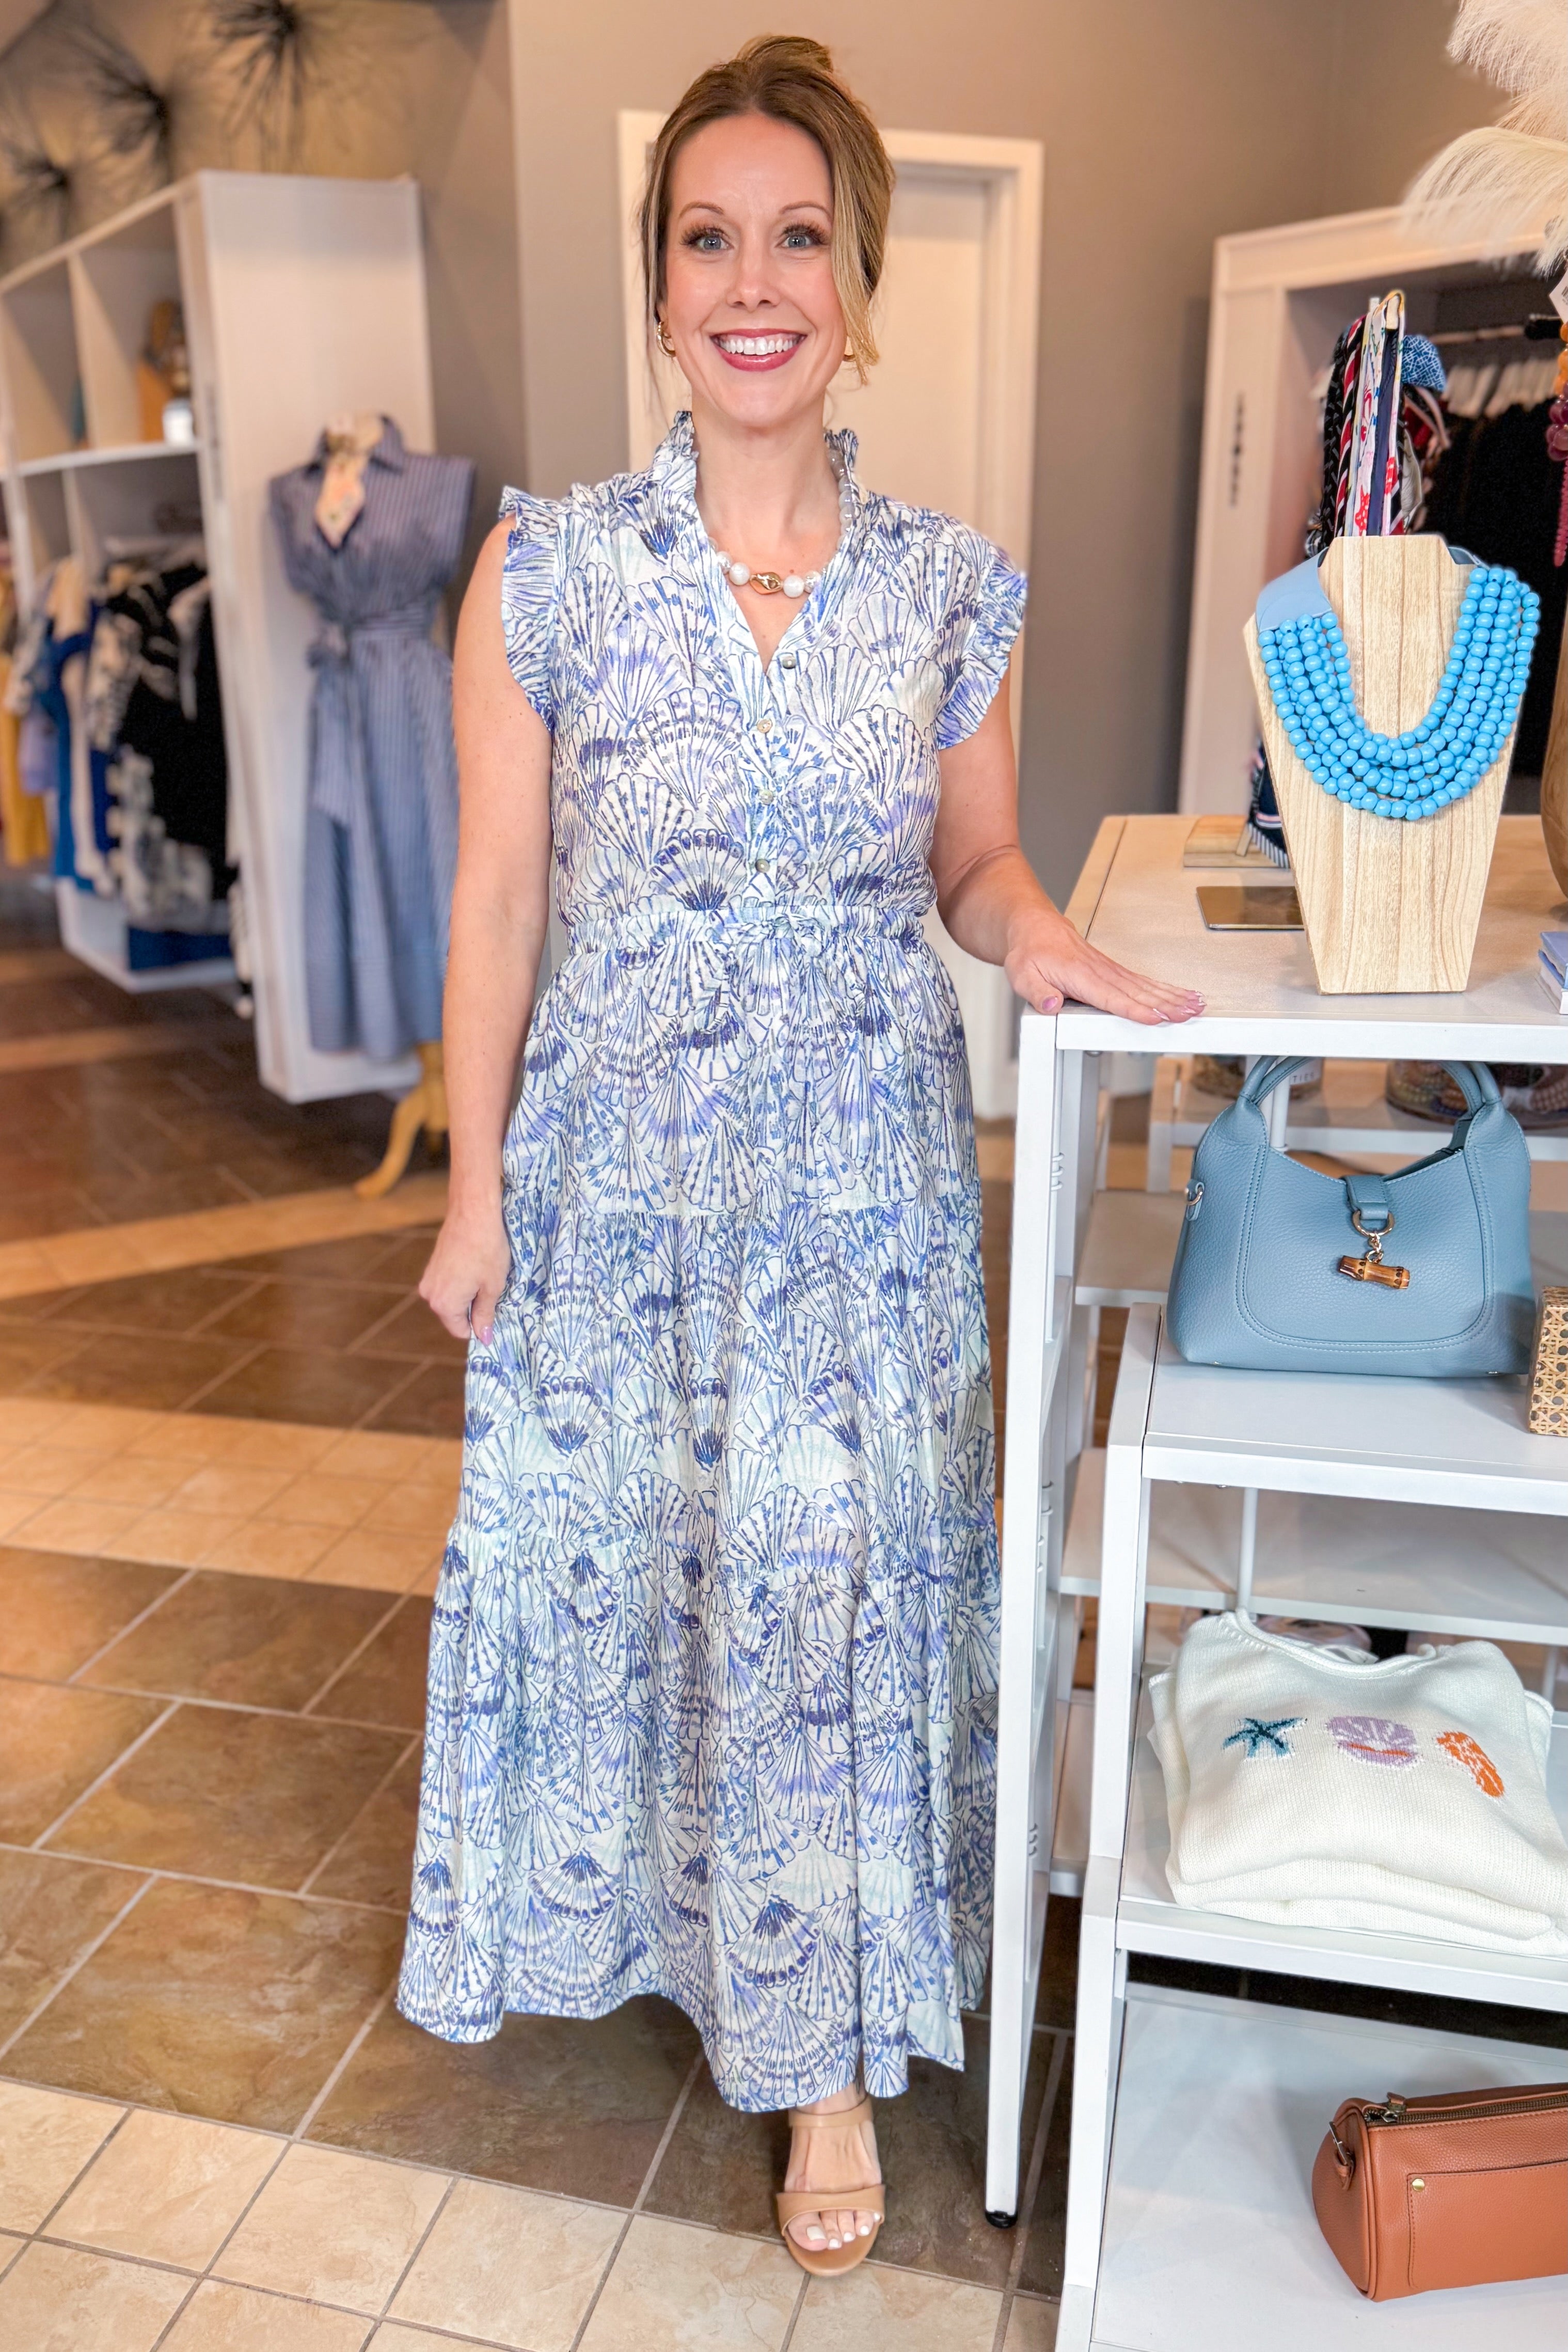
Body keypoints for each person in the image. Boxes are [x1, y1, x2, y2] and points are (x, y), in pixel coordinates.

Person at [400, 33, 1201, 2277]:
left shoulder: (948, 586)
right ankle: (687, 1934)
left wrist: (1054, 947)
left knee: (825, 1588)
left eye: (798, 239)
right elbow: (492, 898)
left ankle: (824, 2062)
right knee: (651, 1563)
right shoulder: (542, 573)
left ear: (856, 289)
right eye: (706, 238)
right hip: (617, 1173)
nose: (753, 281)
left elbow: (975, 859)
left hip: (856, 1177)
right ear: (662, 288)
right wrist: (473, 1192)